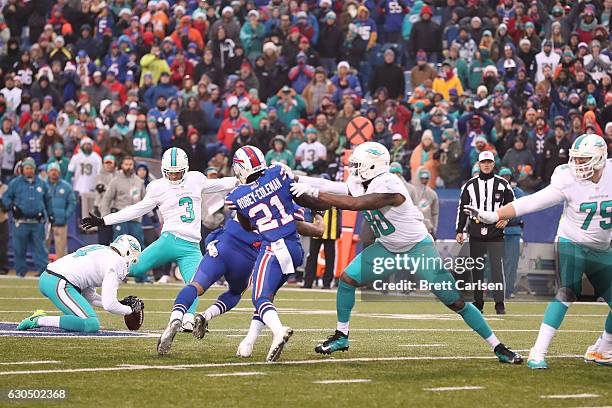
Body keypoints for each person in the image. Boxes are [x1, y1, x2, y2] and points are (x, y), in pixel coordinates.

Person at [291, 142, 523, 364]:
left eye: (358, 164)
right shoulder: (359, 179)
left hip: (417, 248)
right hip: (387, 248)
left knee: (456, 302)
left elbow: (356, 204)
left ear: (373, 165)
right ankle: (341, 336)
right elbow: (340, 188)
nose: (353, 168)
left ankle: (498, 346)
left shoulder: (389, 184)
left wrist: (315, 193)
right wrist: (296, 178)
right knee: (347, 279)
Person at [465, 134, 612, 368]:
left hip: (602, 247)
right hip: (571, 242)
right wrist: (495, 215)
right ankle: (538, 351)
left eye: (584, 160)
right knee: (567, 292)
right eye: (576, 159)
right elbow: (532, 202)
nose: (578, 165)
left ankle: (602, 349)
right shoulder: (568, 179)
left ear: (601, 159)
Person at [81, 147, 237, 331]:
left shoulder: (196, 179)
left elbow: (222, 184)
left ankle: (187, 319)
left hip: (192, 246)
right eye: (169, 174)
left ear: (185, 169)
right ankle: (87, 276)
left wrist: (249, 177)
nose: (173, 177)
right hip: (169, 240)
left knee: (195, 285)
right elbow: (137, 209)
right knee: (135, 269)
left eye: (177, 173)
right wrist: (104, 220)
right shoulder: (158, 187)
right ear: (164, 171)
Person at [224, 146, 306, 362]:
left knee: (259, 297)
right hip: (295, 247)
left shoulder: (235, 196)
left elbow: (247, 226)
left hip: (273, 247)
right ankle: (249, 342)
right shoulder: (279, 171)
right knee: (267, 297)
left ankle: (278, 331)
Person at [16, 235, 142, 333]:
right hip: (59, 282)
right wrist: (130, 310)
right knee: (90, 323)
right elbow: (109, 305)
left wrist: (119, 304)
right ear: (127, 253)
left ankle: (41, 319)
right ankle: (38, 320)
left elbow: (89, 296)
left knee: (81, 319)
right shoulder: (117, 261)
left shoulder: (103, 251)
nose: (130, 264)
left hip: (51, 278)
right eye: (133, 259)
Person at [456, 151, 514, 314]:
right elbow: (462, 209)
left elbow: (513, 205)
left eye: (489, 162)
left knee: (496, 267)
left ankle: (499, 303)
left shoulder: (503, 184)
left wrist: (507, 219)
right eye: (483, 162)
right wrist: (459, 230)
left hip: (495, 231)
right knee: (477, 268)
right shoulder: (469, 185)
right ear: (479, 164)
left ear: (493, 164)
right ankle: (478, 301)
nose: (486, 165)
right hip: (475, 230)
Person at [2, 157, 51, 277]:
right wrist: (12, 207)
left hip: (37, 222)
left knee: (40, 249)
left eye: (31, 168)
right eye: (27, 168)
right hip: (20, 222)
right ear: (22, 169)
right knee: (19, 249)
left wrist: (49, 214)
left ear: (34, 169)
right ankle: (20, 272)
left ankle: (43, 272)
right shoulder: (15, 183)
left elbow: (48, 200)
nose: (29, 170)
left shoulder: (42, 183)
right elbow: (6, 197)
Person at [99, 156, 145, 245]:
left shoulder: (139, 181)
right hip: (121, 218)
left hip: (135, 219)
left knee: (138, 245)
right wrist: (104, 218)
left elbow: (145, 199)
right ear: (122, 166)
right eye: (126, 164)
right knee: (120, 245)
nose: (128, 167)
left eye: (130, 164)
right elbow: (106, 199)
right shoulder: (115, 181)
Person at [498, 167, 524, 299]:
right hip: (497, 231)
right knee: (494, 262)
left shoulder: (518, 192)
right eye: (503, 176)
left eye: (508, 176)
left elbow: (520, 212)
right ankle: (495, 289)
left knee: (511, 263)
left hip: (513, 231)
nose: (506, 179)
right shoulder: (493, 191)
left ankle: (508, 290)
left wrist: (504, 218)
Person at [303, 207, 341, 290]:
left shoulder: (335, 196)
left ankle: (327, 283)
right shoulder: (317, 196)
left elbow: (339, 211)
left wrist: (338, 229)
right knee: (312, 257)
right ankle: (308, 282)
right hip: (316, 229)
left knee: (329, 258)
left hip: (331, 230)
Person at [45, 162, 76, 258]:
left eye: (56, 170)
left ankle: (61, 271)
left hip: (60, 222)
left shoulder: (66, 186)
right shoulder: (42, 185)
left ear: (59, 172)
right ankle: (42, 269)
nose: (54, 172)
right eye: (51, 170)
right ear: (47, 172)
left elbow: (72, 203)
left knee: (61, 249)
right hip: (45, 222)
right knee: (43, 247)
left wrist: (65, 215)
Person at [413, 168, 439, 238]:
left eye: (426, 178)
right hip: (414, 227)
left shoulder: (432, 194)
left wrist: (434, 228)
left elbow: (435, 213)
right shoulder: (413, 192)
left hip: (428, 229)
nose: (424, 180)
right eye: (422, 178)